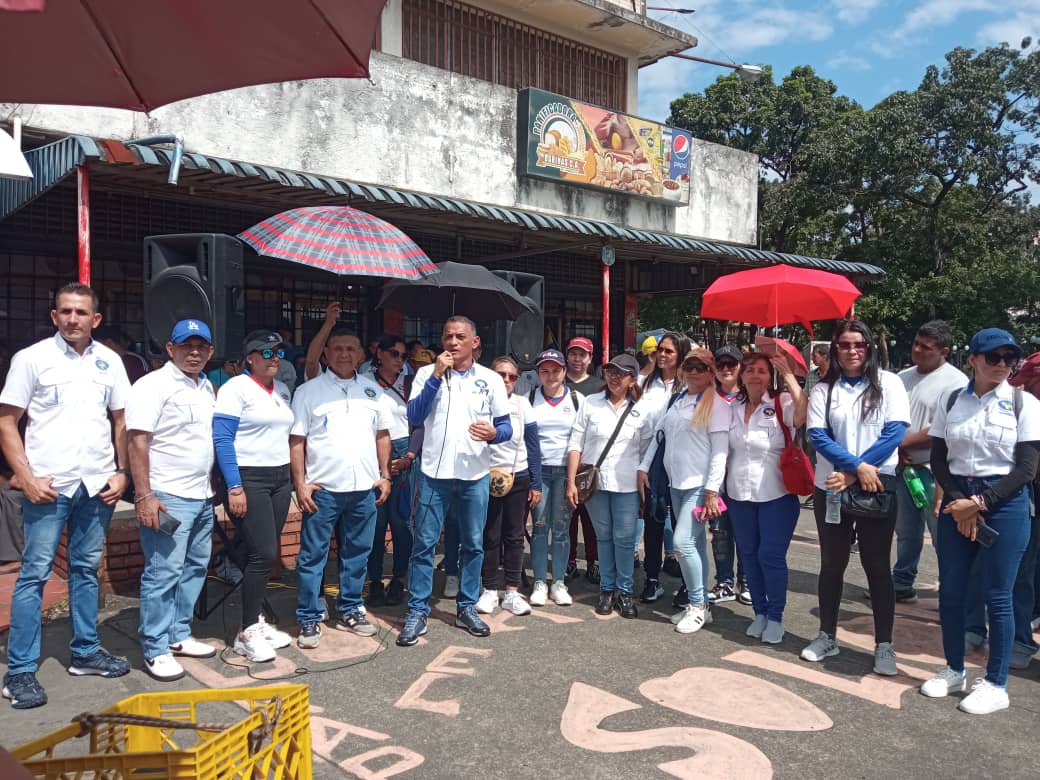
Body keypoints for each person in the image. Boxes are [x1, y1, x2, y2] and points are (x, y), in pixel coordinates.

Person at [0, 283, 132, 710]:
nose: (73, 319)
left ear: (96, 320)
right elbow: (7, 423)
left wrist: (122, 471)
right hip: (49, 487)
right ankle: (19, 670)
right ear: (54, 316)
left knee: (85, 570)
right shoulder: (32, 359)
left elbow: (120, 422)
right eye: (66, 312)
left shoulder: (109, 361)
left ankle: (85, 651)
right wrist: (26, 476)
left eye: (82, 313)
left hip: (96, 486)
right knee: (34, 575)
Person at [920, 329, 1040, 714]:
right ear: (972, 359)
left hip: (1004, 503)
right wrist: (959, 501)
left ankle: (995, 682)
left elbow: (1026, 468)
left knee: (998, 596)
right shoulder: (952, 399)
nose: (1003, 364)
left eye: (1010, 358)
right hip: (959, 500)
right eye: (994, 357)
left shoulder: (1025, 404)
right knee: (951, 592)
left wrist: (981, 503)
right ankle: (954, 668)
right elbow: (938, 457)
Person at [397, 316, 512, 646]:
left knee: (473, 544)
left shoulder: (490, 379)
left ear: (474, 342)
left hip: (474, 474)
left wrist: (493, 434)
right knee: (425, 544)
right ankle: (418, 611)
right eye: (448, 336)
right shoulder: (424, 374)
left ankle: (466, 606)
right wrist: (435, 376)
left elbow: (506, 428)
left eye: (461, 337)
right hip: (434, 474)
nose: (453, 342)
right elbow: (415, 418)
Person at [804, 320, 911, 675]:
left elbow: (894, 433)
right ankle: (826, 636)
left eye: (859, 344)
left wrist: (859, 471)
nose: (852, 351)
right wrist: (854, 469)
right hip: (831, 487)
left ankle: (884, 645)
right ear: (835, 349)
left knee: (877, 566)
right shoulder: (824, 390)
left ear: (870, 348)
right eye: (845, 345)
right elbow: (818, 436)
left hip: (875, 486)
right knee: (832, 565)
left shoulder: (889, 384)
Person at [126, 319, 218, 681]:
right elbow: (137, 441)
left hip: (202, 495)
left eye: (201, 346)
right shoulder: (152, 385)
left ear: (210, 351)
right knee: (163, 573)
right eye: (186, 346)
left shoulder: (207, 386)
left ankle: (178, 633)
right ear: (170, 348)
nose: (193, 352)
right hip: (167, 496)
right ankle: (155, 646)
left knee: (195, 567)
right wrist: (144, 495)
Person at [290, 327, 392, 647]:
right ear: (325, 354)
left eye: (351, 348)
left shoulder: (373, 391)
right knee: (313, 556)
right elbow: (297, 441)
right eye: (337, 348)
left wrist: (385, 474)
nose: (344, 354)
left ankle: (350, 608)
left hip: (363, 488)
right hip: (323, 490)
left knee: (357, 554)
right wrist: (300, 484)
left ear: (362, 355)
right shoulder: (308, 392)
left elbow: (382, 435)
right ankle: (309, 615)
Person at [213, 330, 295, 662]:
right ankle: (246, 630)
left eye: (278, 352)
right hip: (249, 478)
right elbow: (222, 439)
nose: (274, 358)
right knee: (264, 554)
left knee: (260, 554)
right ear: (249, 357)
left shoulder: (284, 390)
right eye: (266, 352)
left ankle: (257, 621)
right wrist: (234, 486)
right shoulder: (236, 389)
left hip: (280, 476)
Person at [638, 349, 729, 633]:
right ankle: (699, 604)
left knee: (682, 543)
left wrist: (712, 491)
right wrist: (643, 466)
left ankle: (698, 605)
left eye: (701, 367)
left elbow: (720, 453)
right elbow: (658, 436)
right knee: (696, 545)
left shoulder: (717, 404)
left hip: (699, 485)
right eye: (690, 366)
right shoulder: (677, 400)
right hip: (675, 483)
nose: (694, 372)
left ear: (711, 372)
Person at [724, 352, 808, 644]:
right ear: (741, 375)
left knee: (769, 556)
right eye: (749, 370)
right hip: (738, 494)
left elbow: (802, 414)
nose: (755, 375)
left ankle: (775, 616)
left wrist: (788, 376)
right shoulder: (731, 408)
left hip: (777, 495)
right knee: (748, 556)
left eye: (761, 370)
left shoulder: (781, 402)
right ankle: (759, 612)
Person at [567, 354, 653, 619]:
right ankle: (607, 589)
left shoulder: (643, 407)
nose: (615, 377)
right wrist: (571, 481)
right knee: (603, 537)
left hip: (627, 485)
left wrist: (644, 476)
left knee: (625, 540)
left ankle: (624, 591)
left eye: (622, 373)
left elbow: (648, 448)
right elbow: (576, 443)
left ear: (632, 379)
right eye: (610, 372)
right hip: (596, 484)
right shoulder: (591, 403)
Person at [891, 321, 967, 602]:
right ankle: (901, 582)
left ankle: (952, 589)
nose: (918, 350)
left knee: (941, 535)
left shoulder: (956, 382)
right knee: (906, 531)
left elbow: (943, 429)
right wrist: (895, 449)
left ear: (944, 351)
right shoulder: (902, 377)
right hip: (903, 468)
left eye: (927, 347)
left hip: (934, 472)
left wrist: (900, 444)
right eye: (916, 343)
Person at [477, 356, 542, 615]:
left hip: (518, 475)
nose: (506, 380)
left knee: (514, 536)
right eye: (501, 375)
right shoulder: (480, 403)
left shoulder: (522, 403)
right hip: (485, 475)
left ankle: (512, 592)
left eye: (512, 376)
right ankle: (490, 590)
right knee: (490, 535)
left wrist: (536, 483)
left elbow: (534, 447)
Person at [637, 332, 690, 603]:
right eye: (660, 350)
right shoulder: (644, 384)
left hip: (680, 459)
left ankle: (686, 582)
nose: (662, 355)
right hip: (650, 458)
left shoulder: (687, 387)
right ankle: (652, 578)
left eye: (669, 351)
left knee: (683, 524)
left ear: (680, 354)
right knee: (653, 519)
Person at [366, 334, 416, 607]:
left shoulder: (410, 383)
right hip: (371, 452)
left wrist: (409, 456)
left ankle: (399, 577)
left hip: (403, 453)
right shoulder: (364, 382)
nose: (400, 360)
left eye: (403, 355)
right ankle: (373, 580)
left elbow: (419, 423)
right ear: (379, 353)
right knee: (375, 522)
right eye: (394, 354)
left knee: (401, 521)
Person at [528, 349, 581, 606]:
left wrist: (573, 479)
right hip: (538, 472)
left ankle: (558, 581)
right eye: (544, 371)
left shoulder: (577, 399)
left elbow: (580, 440)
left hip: (565, 472)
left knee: (561, 528)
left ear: (564, 372)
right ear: (538, 373)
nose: (550, 375)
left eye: (556, 370)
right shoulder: (527, 398)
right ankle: (539, 581)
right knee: (539, 527)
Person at [706, 344, 750, 608]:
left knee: (745, 534)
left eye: (731, 364)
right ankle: (724, 581)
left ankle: (746, 580)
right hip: (715, 480)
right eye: (720, 365)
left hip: (744, 478)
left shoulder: (750, 397)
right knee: (720, 533)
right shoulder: (708, 398)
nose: (725, 370)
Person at [564, 337, 603, 583]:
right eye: (574, 354)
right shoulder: (558, 381)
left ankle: (593, 562)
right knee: (567, 515)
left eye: (583, 355)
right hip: (563, 460)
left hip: (590, 460)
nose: (578, 359)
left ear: (590, 358)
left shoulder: (600, 386)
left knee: (591, 518)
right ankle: (568, 561)